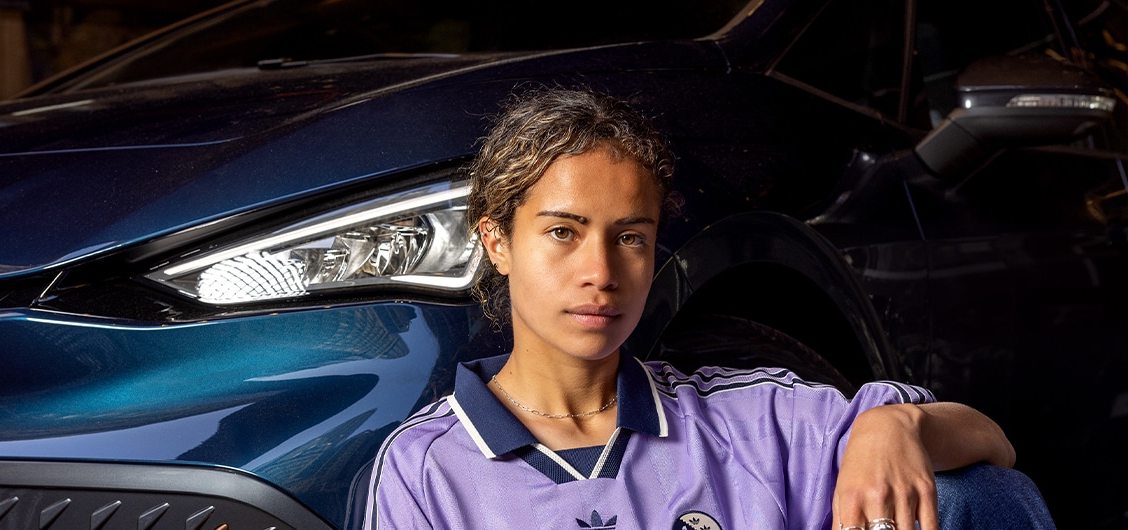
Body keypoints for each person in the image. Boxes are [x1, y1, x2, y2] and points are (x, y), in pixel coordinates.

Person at [367, 87, 1054, 529]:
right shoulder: (426, 468)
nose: (601, 273)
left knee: (975, 494)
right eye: (563, 233)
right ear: (497, 241)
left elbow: (992, 445)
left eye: (629, 238)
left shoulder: (747, 421)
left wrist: (895, 425)